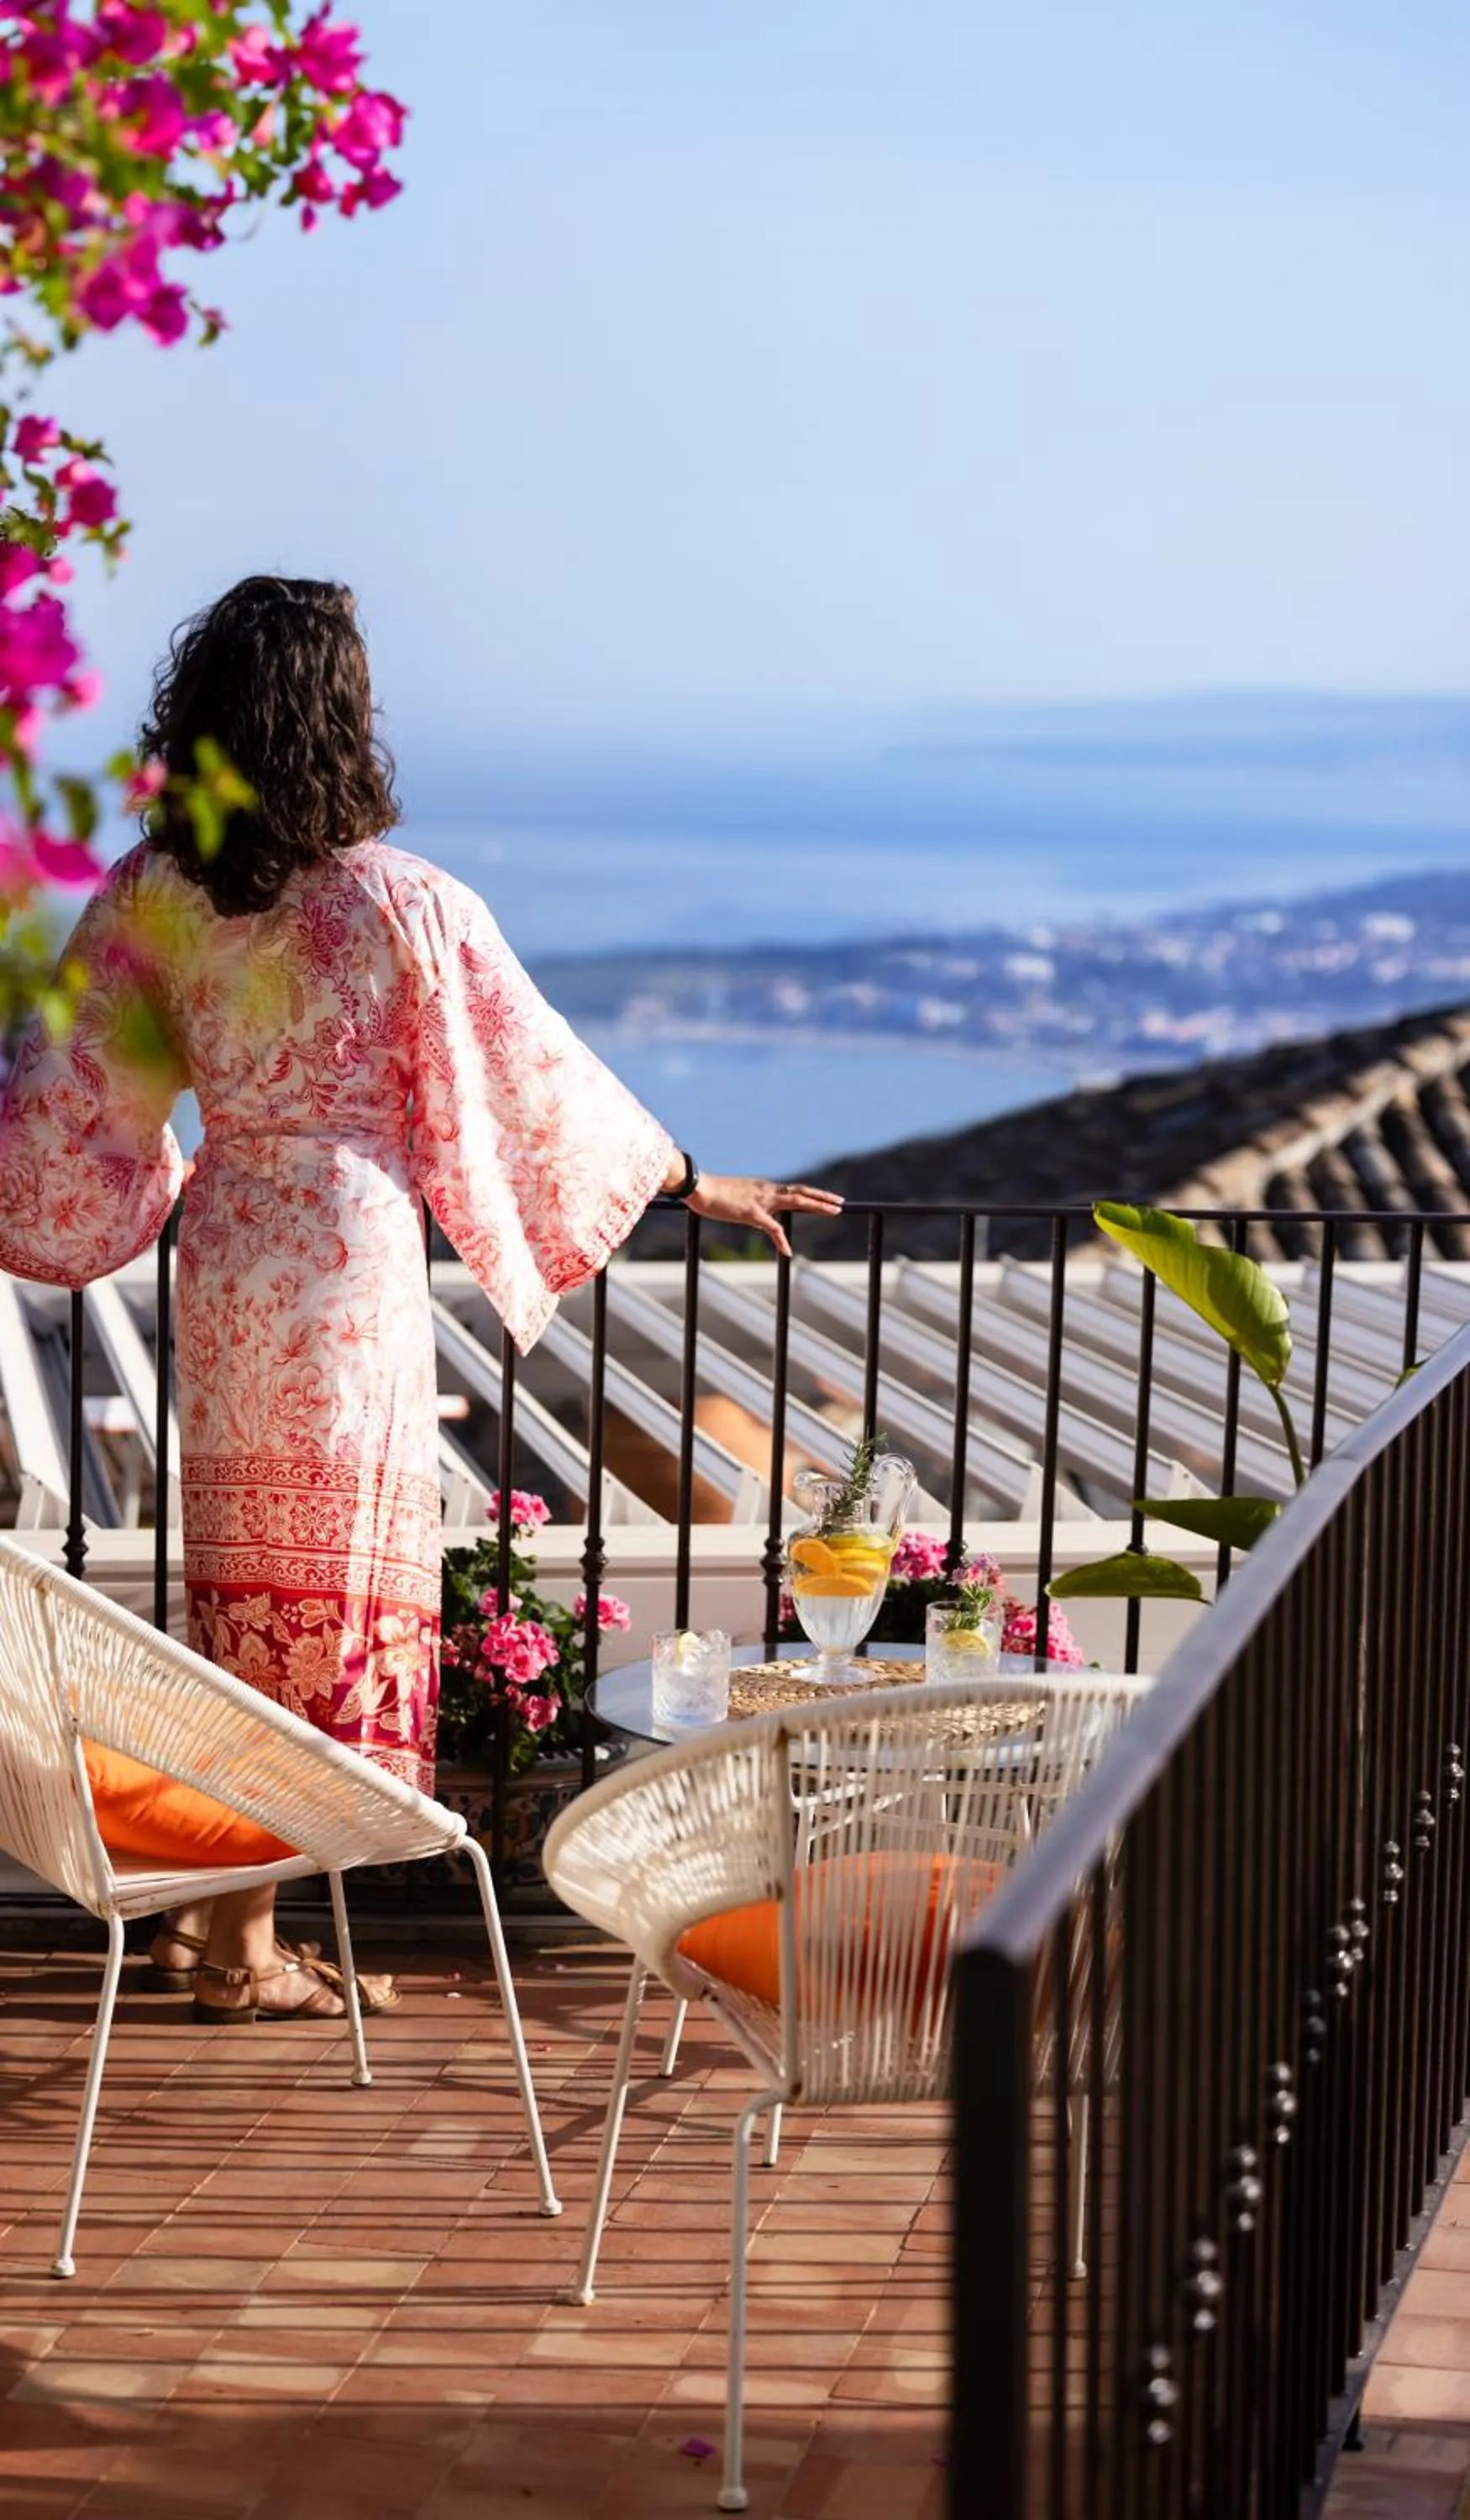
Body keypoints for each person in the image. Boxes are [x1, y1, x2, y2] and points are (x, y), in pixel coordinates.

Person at [0, 575, 842, 2022]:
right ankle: (242, 1945)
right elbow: (542, 1085)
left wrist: (156, 1165)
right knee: (334, 1591)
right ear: (342, 716)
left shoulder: (151, 894)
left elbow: (64, 1091)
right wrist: (697, 1182)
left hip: (234, 1255)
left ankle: (228, 1933)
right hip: (350, 1263)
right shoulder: (405, 902)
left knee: (246, 1592)